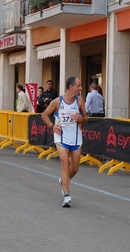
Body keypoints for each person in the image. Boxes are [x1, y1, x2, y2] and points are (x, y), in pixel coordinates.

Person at [41, 76, 88, 207]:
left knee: (75, 168)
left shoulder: (80, 101)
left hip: (76, 137)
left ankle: (64, 180)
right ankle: (66, 195)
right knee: (65, 165)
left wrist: (80, 119)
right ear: (71, 87)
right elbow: (44, 115)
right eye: (78, 85)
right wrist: (52, 126)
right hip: (61, 137)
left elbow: (86, 118)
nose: (81, 88)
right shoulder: (57, 102)